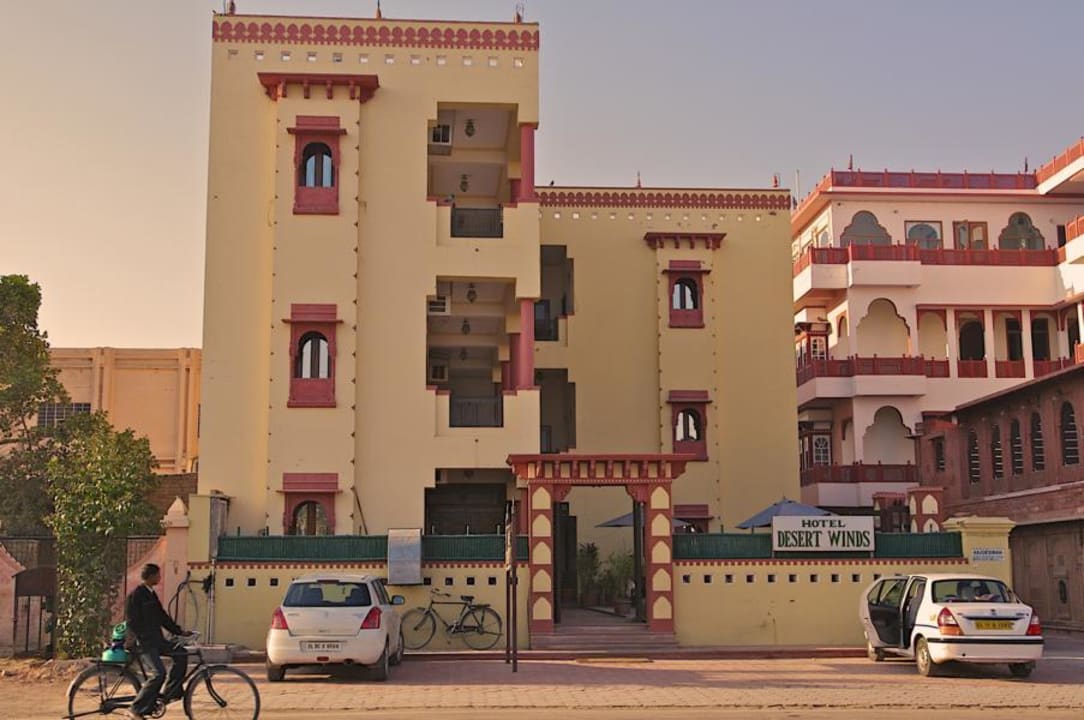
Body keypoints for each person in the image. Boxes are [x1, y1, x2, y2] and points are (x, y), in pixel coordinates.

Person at [125, 563, 191, 720]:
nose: (160, 578)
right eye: (158, 575)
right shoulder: (136, 595)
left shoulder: (151, 594)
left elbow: (162, 617)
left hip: (157, 640)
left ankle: (169, 693)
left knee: (181, 653)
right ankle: (135, 708)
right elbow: (131, 622)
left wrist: (179, 631)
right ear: (151, 576)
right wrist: (142, 638)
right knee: (158, 673)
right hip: (144, 643)